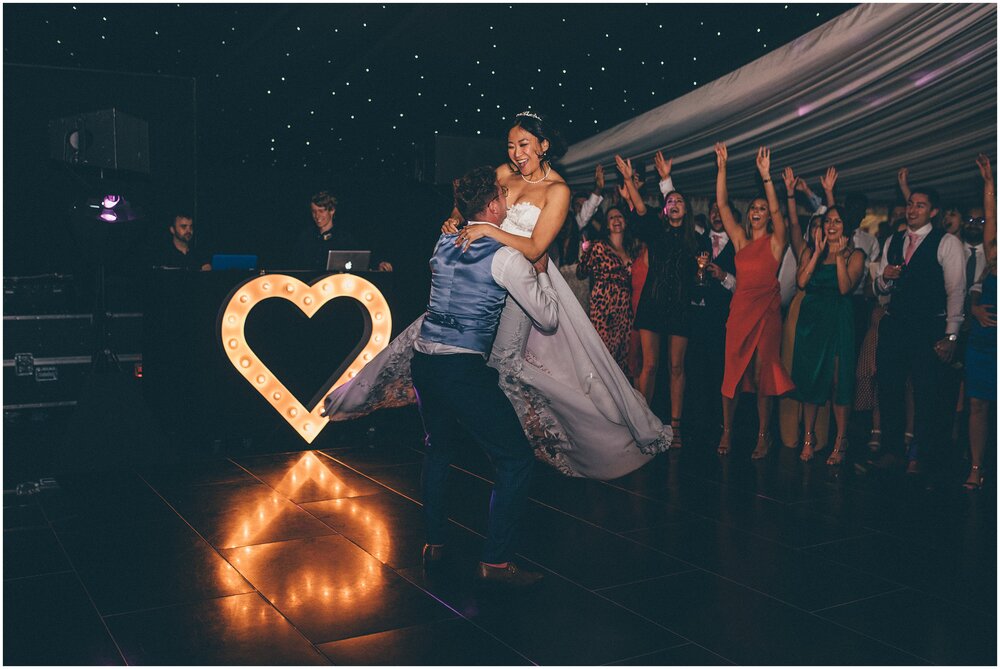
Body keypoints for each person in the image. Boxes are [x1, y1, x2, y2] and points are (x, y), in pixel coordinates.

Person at [327, 111, 671, 480]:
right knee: (442, 342)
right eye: (511, 145)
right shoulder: (503, 173)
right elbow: (471, 204)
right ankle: (482, 431)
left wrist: (487, 233)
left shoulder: (558, 191)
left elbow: (537, 245)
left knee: (511, 364)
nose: (516, 153)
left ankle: (533, 438)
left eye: (523, 144)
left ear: (544, 146)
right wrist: (455, 217)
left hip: (525, 282)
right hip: (483, 279)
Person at [409, 167, 555, 585]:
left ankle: (434, 544)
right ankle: (495, 563)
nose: (508, 203)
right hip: (460, 369)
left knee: (438, 449)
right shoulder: (506, 256)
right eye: (503, 198)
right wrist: (541, 270)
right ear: (492, 206)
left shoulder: (442, 241)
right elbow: (546, 318)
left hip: (425, 362)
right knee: (515, 459)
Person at [874, 183, 965, 483]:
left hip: (928, 326)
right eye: (910, 204)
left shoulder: (946, 242)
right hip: (896, 322)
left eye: (920, 205)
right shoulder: (893, 240)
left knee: (926, 393)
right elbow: (882, 289)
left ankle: (919, 456)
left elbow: (956, 290)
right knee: (889, 387)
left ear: (933, 211)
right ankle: (891, 450)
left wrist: (951, 335)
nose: (912, 210)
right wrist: (884, 279)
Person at [714, 143, 795, 458]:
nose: (758, 211)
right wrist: (722, 167)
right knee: (731, 371)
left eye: (762, 208)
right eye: (754, 208)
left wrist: (766, 177)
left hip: (767, 314)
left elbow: (779, 211)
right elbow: (722, 205)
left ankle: (763, 435)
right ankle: (727, 431)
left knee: (763, 372)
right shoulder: (740, 240)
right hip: (740, 311)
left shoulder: (776, 242)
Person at [624, 154, 710, 446]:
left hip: (679, 307)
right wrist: (627, 178)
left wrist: (701, 273)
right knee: (649, 365)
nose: (673, 204)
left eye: (679, 202)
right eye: (669, 201)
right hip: (652, 302)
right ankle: (644, 421)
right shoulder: (656, 229)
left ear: (686, 210)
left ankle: (675, 426)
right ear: (665, 208)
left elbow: (700, 283)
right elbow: (637, 207)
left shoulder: (697, 241)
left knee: (676, 367)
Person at [792, 205, 866, 464]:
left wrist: (837, 257)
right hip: (812, 322)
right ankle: (808, 438)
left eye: (837, 221)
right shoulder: (811, 251)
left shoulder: (855, 255)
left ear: (846, 227)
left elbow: (845, 288)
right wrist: (817, 252)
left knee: (838, 382)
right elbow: (801, 282)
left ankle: (840, 440)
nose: (832, 226)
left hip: (838, 319)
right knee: (811, 380)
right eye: (828, 221)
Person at [684, 200, 738, 440]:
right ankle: (697, 421)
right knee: (695, 368)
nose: (716, 214)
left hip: (722, 317)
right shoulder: (698, 241)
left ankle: (720, 422)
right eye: (713, 209)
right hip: (696, 315)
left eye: (721, 210)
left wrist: (724, 276)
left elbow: (744, 286)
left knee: (719, 369)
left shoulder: (737, 246)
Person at [964, 153, 996, 490]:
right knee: (977, 402)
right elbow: (989, 215)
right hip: (985, 340)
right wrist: (989, 184)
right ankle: (975, 466)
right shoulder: (993, 254)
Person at [576, 206, 637, 377]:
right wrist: (586, 252)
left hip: (625, 307)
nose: (616, 219)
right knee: (603, 354)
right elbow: (580, 273)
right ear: (607, 225)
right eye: (611, 217)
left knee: (622, 354)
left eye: (619, 216)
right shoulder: (599, 246)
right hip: (604, 305)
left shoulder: (632, 249)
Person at [293, 190, 393, 271]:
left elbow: (361, 257)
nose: (317, 216)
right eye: (314, 211)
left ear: (332, 210)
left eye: (321, 211)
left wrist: (379, 264)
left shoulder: (344, 237)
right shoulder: (305, 237)